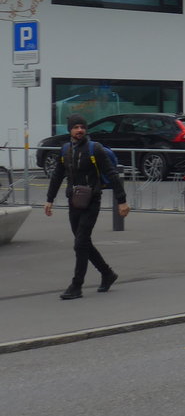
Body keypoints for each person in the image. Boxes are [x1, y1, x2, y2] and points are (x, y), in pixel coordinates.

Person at [44, 114, 131, 300]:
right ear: (70, 130)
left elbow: (112, 174)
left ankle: (77, 286)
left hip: (92, 201)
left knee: (80, 243)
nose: (80, 130)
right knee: (82, 243)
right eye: (76, 127)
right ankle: (107, 273)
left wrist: (122, 200)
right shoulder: (65, 150)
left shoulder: (95, 149)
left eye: (82, 127)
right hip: (74, 201)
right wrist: (49, 199)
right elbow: (57, 175)